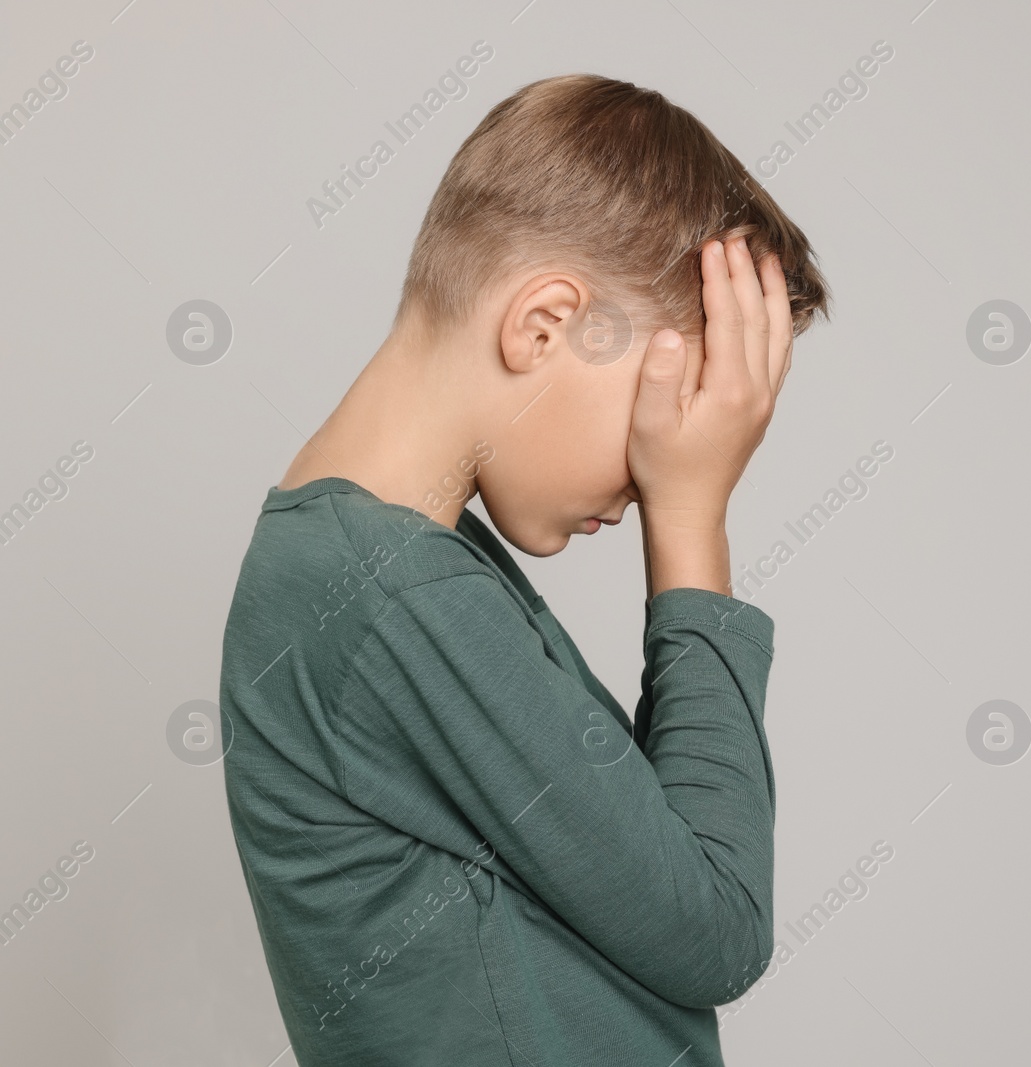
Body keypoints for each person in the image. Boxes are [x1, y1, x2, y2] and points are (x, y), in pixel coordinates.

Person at [218, 73, 830, 1066]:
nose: (657, 464)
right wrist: (690, 515)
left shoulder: (393, 567)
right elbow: (714, 925)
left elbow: (644, 857)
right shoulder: (392, 594)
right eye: (669, 403)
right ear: (544, 325)